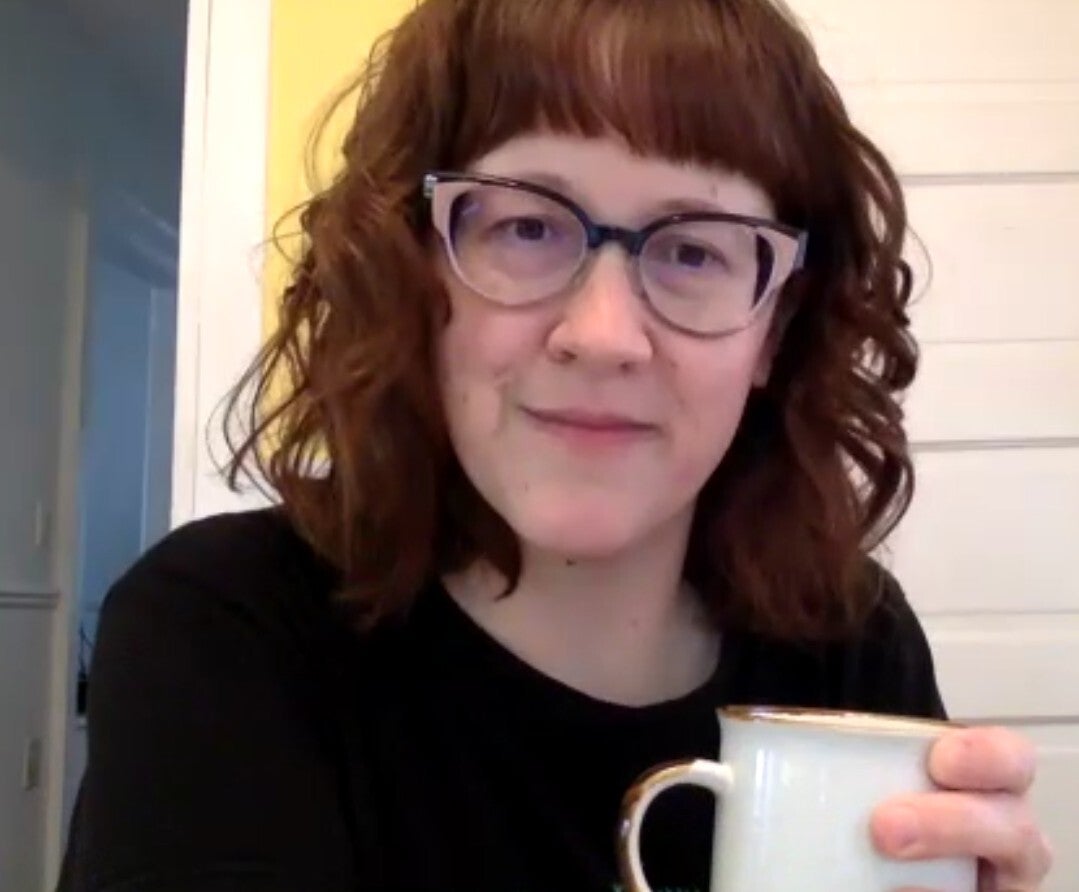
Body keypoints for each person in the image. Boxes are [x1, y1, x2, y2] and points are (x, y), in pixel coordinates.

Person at [58, 0, 1054, 890]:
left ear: (773, 331)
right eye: (527, 229)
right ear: (416, 273)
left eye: (694, 248)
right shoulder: (224, 634)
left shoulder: (851, 647)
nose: (603, 334)